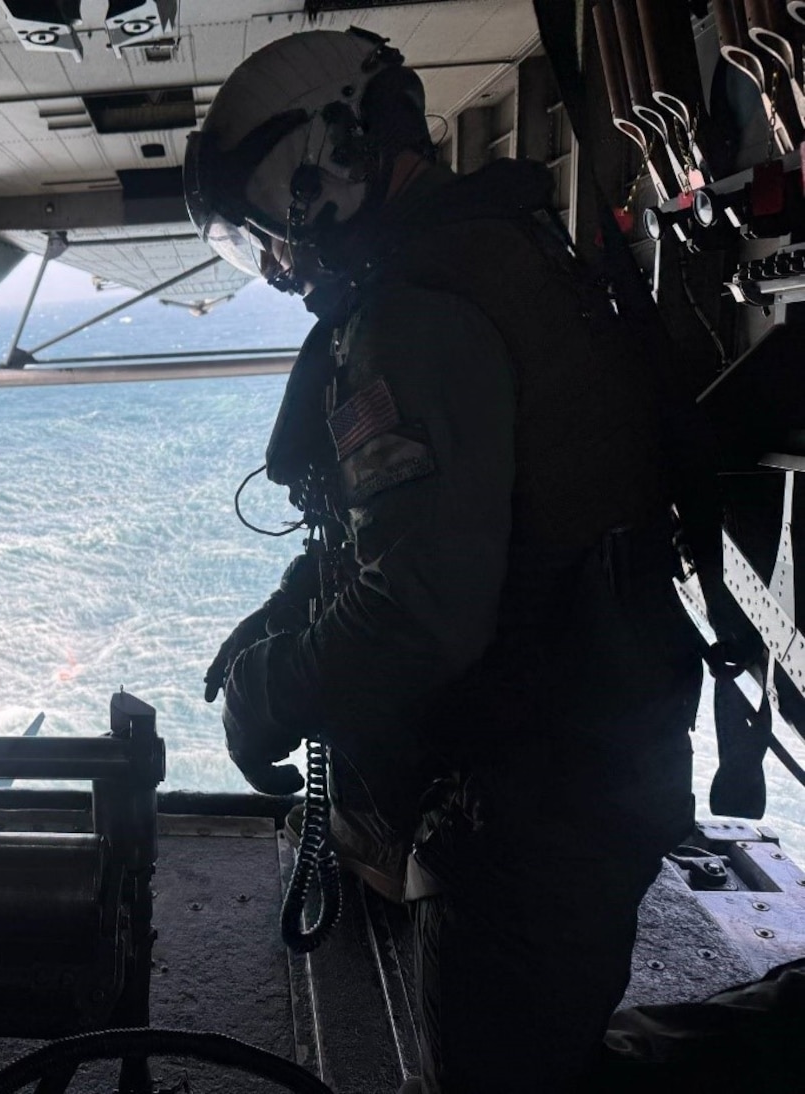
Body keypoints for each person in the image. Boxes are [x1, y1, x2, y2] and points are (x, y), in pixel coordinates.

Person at [187, 28, 704, 1094]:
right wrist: (284, 614)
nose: (274, 267)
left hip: (538, 789)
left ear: (310, 169)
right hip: (582, 742)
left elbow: (424, 604)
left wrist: (266, 691)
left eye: (257, 237)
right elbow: (435, 525)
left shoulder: (411, 317)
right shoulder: (484, 252)